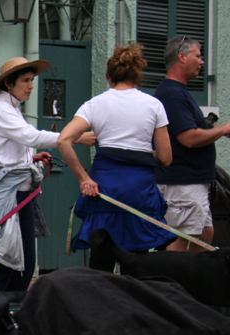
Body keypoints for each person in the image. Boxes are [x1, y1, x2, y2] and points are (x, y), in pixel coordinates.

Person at [0, 57, 95, 291]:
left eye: (32, 80)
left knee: (25, 263)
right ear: (8, 83)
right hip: (2, 195)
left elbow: (10, 148)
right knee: (1, 259)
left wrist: (32, 158)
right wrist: (75, 137)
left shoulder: (12, 108)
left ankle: (15, 310)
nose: (31, 86)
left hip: (20, 194)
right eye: (25, 80)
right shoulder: (1, 108)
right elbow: (31, 136)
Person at [58, 44, 173, 264]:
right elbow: (166, 158)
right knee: (137, 263)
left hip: (104, 189)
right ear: (137, 76)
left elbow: (63, 140)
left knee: (101, 262)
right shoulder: (154, 106)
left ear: (109, 77)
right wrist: (145, 154)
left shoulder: (94, 104)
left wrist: (83, 178)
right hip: (139, 191)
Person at [154, 36, 230, 252]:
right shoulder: (172, 94)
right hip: (182, 184)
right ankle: (165, 273)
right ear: (181, 57)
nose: (202, 62)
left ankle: (189, 275)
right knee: (184, 239)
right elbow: (188, 138)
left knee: (204, 234)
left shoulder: (178, 91)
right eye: (198, 56)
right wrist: (223, 129)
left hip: (191, 183)